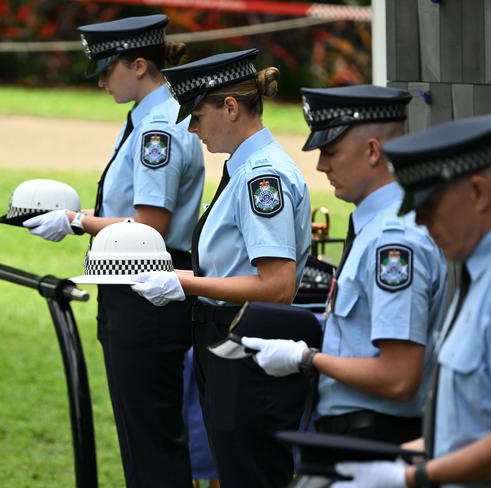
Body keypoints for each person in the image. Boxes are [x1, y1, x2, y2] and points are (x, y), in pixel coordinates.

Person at [22, 15, 205, 488]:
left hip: (146, 286)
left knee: (150, 439)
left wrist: (76, 220)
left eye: (107, 70)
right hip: (143, 283)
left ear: (140, 64)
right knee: (146, 433)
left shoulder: (157, 130)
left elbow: (149, 227)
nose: (102, 81)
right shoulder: (153, 118)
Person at [330, 113, 491, 487]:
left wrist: (414, 477)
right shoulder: (483, 264)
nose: (424, 226)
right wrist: (393, 460)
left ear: (478, 193)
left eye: (429, 209)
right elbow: (472, 423)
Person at [131, 49, 312, 487]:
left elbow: (277, 285)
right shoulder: (245, 169)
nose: (192, 129)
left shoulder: (259, 178)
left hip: (244, 343)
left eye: (197, 115)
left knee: (249, 473)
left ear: (230, 108)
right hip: (226, 339)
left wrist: (186, 283)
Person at [241, 85, 448, 445]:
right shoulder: (376, 228)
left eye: (331, 150)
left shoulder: (393, 242)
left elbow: (399, 377)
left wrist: (308, 359)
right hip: (358, 431)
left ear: (372, 151)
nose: (322, 165)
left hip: (377, 437)